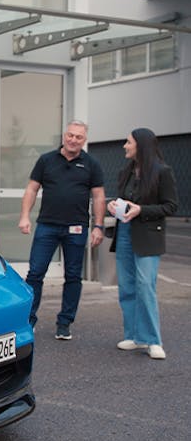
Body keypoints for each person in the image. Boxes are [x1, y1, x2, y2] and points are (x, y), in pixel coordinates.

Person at [18, 120, 106, 340]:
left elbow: (98, 196)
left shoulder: (91, 164)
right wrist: (24, 216)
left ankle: (65, 323)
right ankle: (29, 320)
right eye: (70, 135)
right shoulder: (46, 160)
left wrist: (98, 225)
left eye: (78, 137)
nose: (73, 140)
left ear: (84, 140)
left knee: (73, 276)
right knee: (35, 273)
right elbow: (31, 189)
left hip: (76, 228)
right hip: (47, 225)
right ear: (64, 135)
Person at [106, 128, 178, 360]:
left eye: (128, 142)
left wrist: (141, 210)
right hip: (125, 231)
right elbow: (127, 200)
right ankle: (135, 336)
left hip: (148, 234)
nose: (124, 146)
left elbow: (170, 206)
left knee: (145, 286)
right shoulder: (126, 171)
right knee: (127, 286)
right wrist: (113, 205)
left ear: (141, 145)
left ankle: (153, 340)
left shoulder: (162, 172)